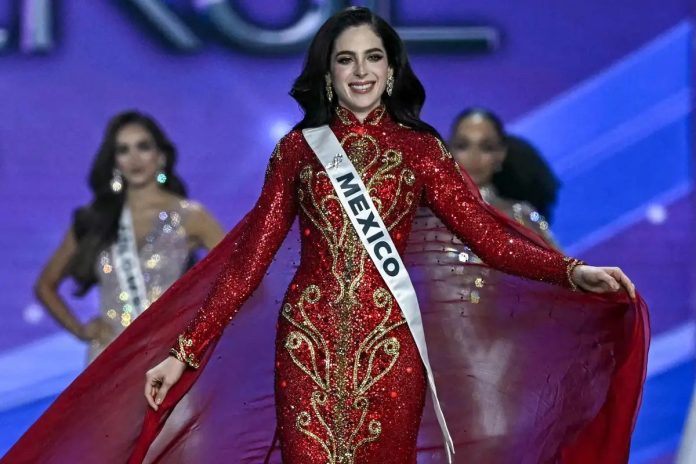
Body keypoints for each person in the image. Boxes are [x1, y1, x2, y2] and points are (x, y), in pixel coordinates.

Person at [4, 8, 648, 464]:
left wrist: (571, 272)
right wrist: (185, 352)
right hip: (307, 347)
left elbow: (486, 236)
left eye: (373, 58)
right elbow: (248, 264)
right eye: (346, 60)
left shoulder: (420, 151)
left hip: (389, 346)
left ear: (391, 71)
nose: (360, 71)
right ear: (329, 73)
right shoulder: (298, 151)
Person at [34, 110, 224, 362]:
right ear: (115, 162)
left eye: (143, 146)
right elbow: (45, 286)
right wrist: (81, 330)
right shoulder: (96, 219)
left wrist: (200, 328)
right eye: (123, 150)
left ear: (160, 156)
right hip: (109, 360)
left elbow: (244, 276)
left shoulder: (191, 216)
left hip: (167, 359)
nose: (134, 158)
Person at [448, 108, 559, 248]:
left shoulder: (520, 218)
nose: (474, 157)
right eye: (462, 146)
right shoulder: (425, 215)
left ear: (501, 154)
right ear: (449, 150)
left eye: (486, 147)